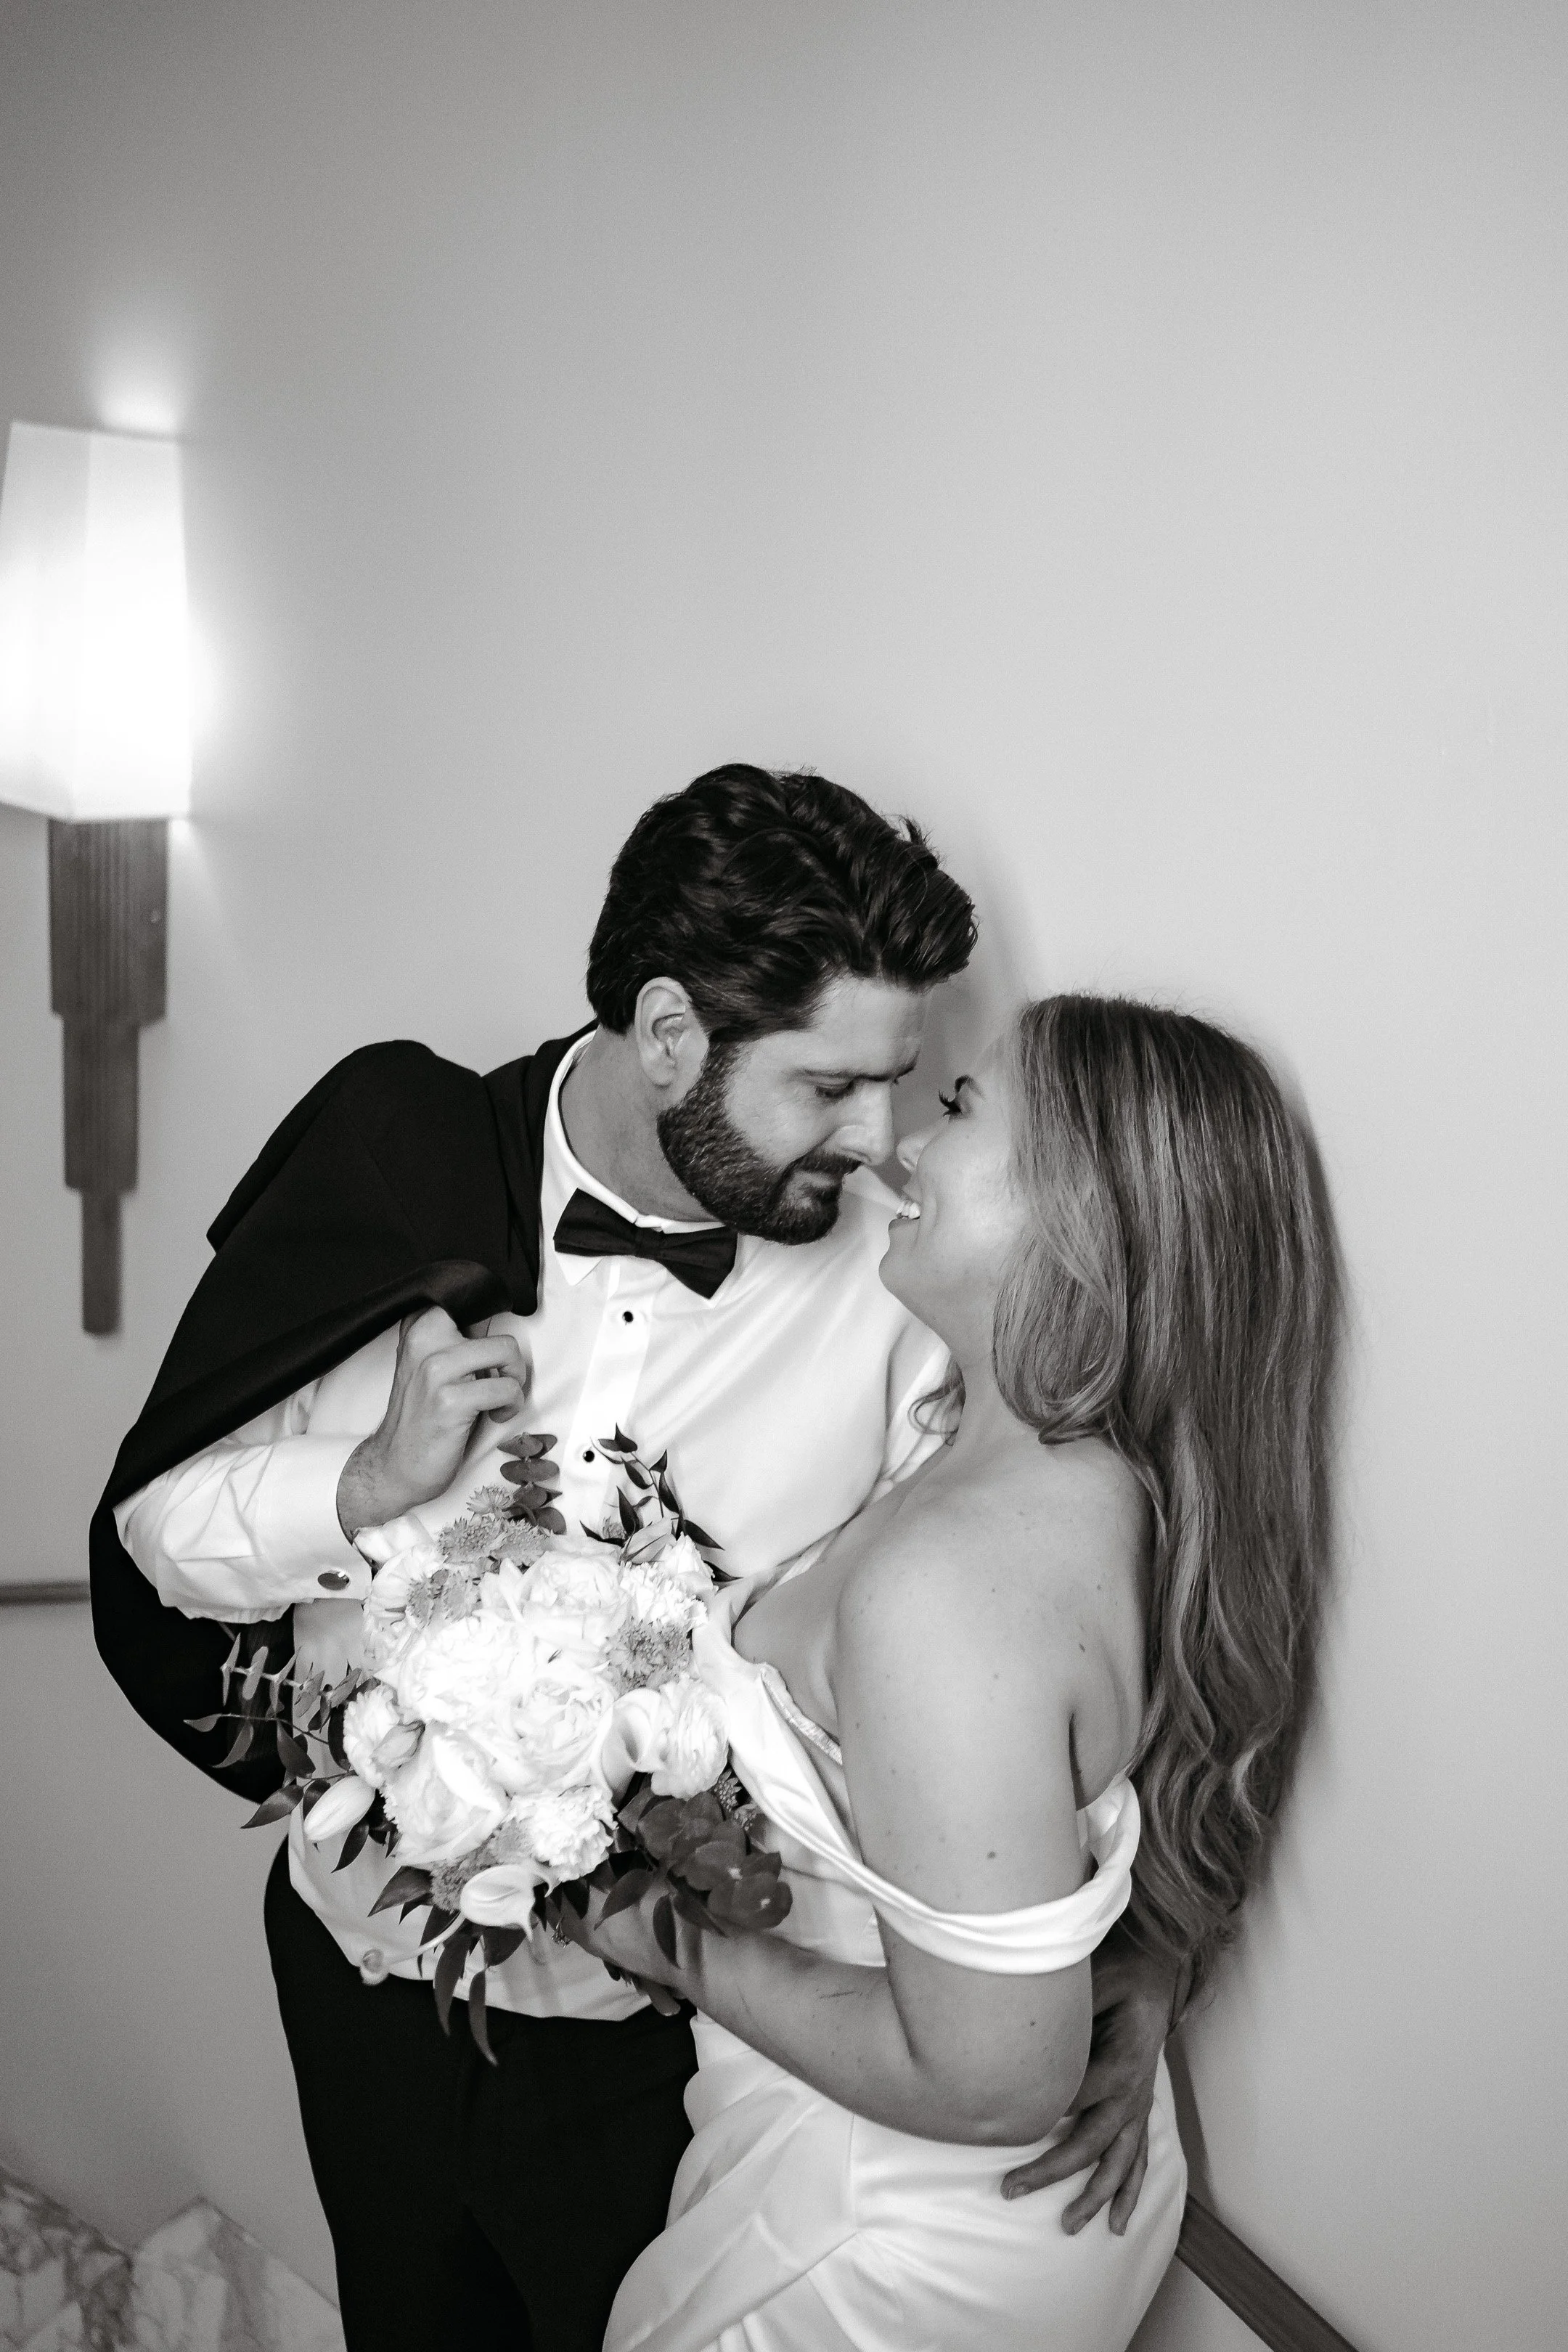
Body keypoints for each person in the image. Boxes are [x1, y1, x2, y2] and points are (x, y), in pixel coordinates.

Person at [97, 771, 1180, 2352]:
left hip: (654, 2044)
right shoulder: (397, 1162)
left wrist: (1142, 1955)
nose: (879, 1147)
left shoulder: (898, 1305)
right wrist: (369, 1480)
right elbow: (160, 1539)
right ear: (670, 1032)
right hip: (357, 1963)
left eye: (907, 1090)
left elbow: (1061, 1622)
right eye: (829, 1088)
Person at [580, 994, 1342, 2352]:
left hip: (886, 2248)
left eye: (961, 1111)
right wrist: (1147, 1968)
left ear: (1086, 1218)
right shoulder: (1083, 1473)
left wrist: (654, 1937)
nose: (901, 1154)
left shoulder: (958, 1580)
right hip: (943, 2197)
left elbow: (993, 2080)